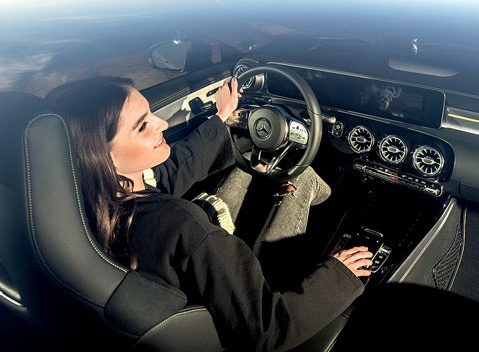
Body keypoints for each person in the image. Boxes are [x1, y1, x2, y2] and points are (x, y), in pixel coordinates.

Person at [46, 75, 372, 352]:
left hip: (198, 280)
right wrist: (337, 273)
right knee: (300, 177)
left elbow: (167, 176)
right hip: (259, 305)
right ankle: (336, 194)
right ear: (101, 156)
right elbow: (268, 329)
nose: (161, 123)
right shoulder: (180, 223)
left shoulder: (77, 203)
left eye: (151, 113)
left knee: (247, 170)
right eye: (143, 126)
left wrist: (222, 115)